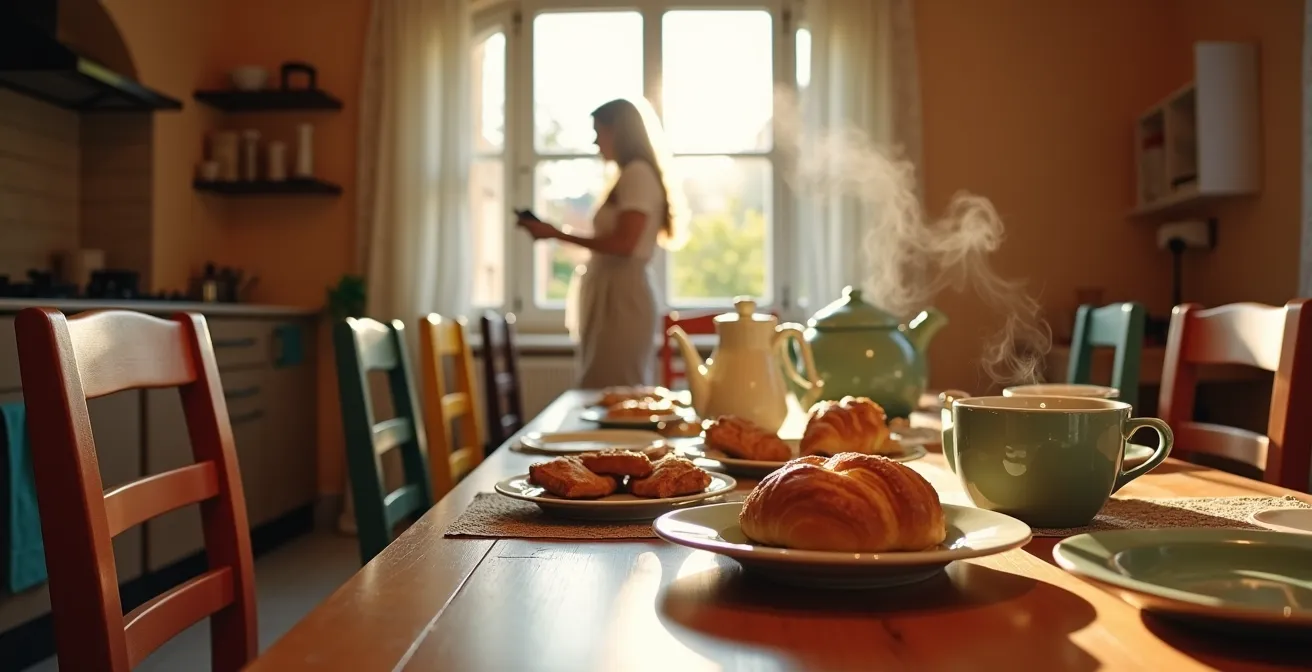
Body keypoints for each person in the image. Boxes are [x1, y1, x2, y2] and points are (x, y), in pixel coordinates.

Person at [517, 98, 686, 388]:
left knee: (615, 388)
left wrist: (556, 234)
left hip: (622, 299)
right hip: (615, 295)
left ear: (618, 132)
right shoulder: (628, 177)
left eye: (599, 133)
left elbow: (625, 244)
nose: (596, 143)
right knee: (608, 387)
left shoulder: (637, 175)